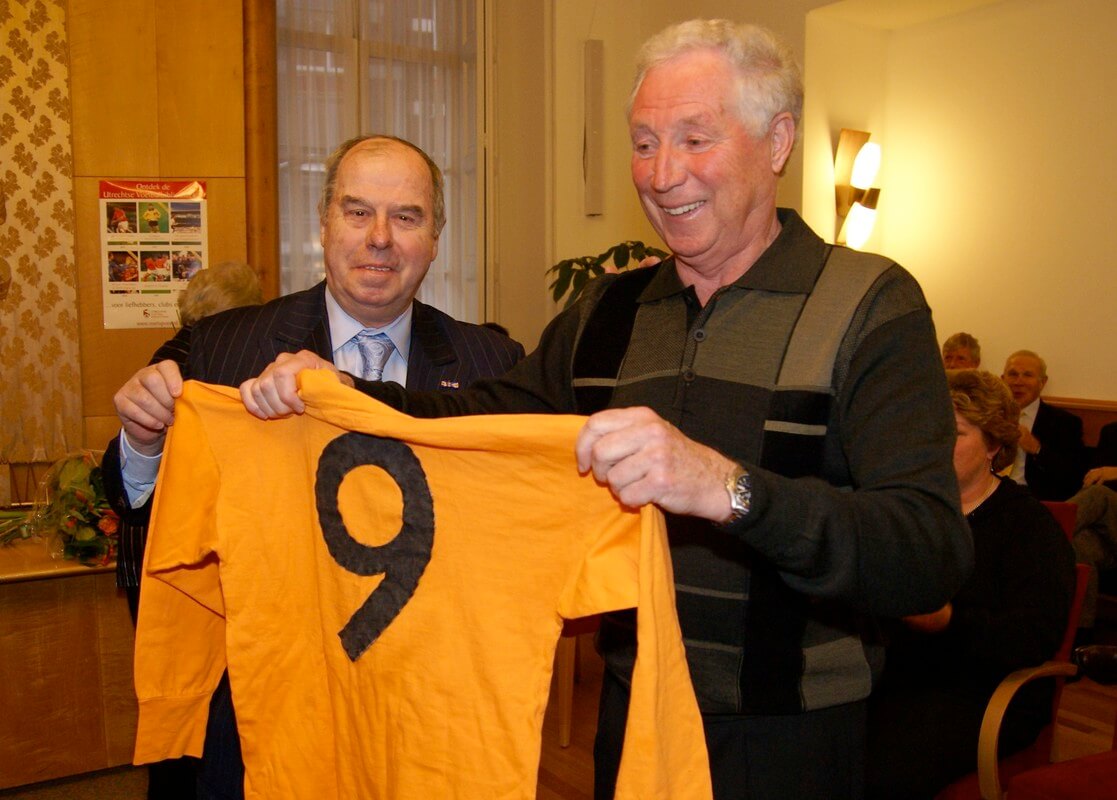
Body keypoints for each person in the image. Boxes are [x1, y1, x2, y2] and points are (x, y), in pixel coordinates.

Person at [241, 20, 971, 798]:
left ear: (778, 142)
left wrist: (727, 488)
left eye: (694, 139)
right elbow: (479, 423)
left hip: (790, 737)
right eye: (644, 142)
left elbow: (926, 555)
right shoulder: (608, 311)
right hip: (632, 720)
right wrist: (343, 393)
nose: (661, 175)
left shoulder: (869, 304)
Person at [105, 134, 524, 800]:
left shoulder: (492, 367)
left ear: (436, 237)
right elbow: (146, 510)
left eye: (406, 217)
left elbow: (515, 540)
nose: (379, 237)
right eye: (357, 212)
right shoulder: (221, 346)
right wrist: (142, 442)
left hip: (424, 712)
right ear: (323, 223)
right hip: (256, 715)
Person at [865, 369, 1074, 798]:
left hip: (980, 690)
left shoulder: (1027, 526)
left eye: (955, 432)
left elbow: (1032, 636)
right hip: (889, 672)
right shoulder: (904, 510)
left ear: (994, 446)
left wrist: (948, 621)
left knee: (876, 767)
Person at [1001, 349, 1086, 500]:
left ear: (1043, 382)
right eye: (1013, 374)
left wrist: (1036, 449)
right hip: (989, 494)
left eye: (1027, 375)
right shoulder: (988, 416)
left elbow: (1072, 477)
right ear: (1003, 379)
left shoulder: (1065, 423)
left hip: (1035, 499)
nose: (1018, 382)